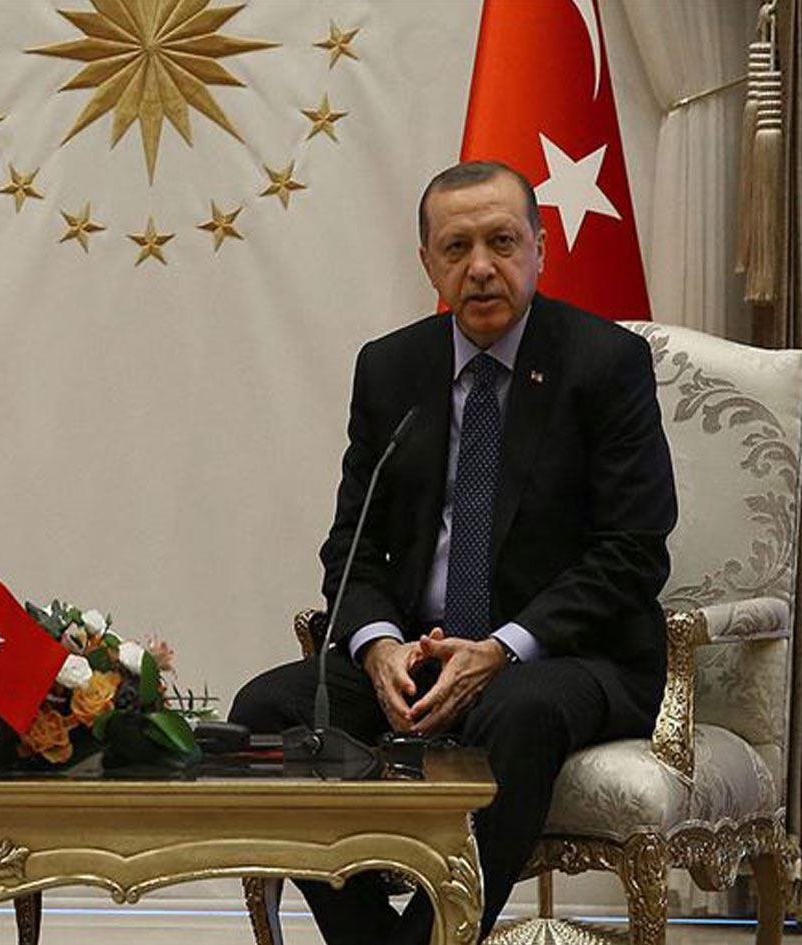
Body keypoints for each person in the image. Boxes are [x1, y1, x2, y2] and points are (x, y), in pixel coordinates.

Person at [229, 160, 677, 944]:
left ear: (540, 248)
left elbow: (634, 551)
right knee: (267, 710)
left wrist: (502, 648)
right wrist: (379, 647)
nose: (481, 267)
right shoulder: (390, 368)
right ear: (428, 264)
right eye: (456, 247)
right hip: (423, 658)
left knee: (516, 709)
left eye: (502, 242)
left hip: (568, 657)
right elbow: (353, 543)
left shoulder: (603, 363)